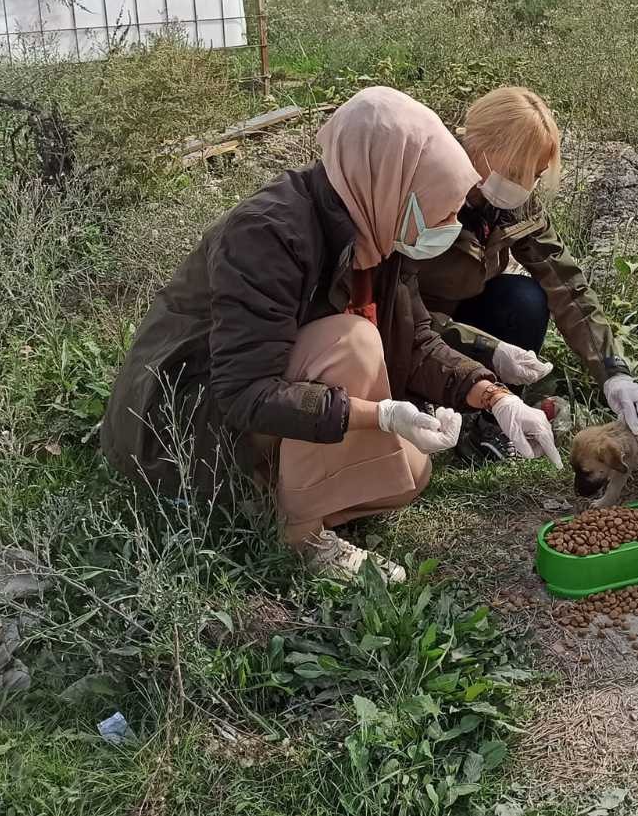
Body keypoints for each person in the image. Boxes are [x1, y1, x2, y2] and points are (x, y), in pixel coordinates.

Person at [101, 86, 562, 582]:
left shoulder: (381, 230)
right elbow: (243, 392)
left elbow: (419, 341)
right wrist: (380, 415)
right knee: (353, 342)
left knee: (411, 476)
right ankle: (300, 536)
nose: (451, 225)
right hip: (187, 422)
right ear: (393, 181)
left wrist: (497, 399)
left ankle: (266, 499)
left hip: (262, 407)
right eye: (444, 210)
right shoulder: (268, 234)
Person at [413, 87, 638, 445]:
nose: (524, 185)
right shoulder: (423, 191)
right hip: (409, 327)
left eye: (535, 173)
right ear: (480, 148)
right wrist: (487, 348)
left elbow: (566, 283)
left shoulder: (514, 203)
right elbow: (395, 303)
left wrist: (614, 372)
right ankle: (454, 398)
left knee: (524, 299)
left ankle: (494, 421)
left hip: (460, 313)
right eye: (517, 170)